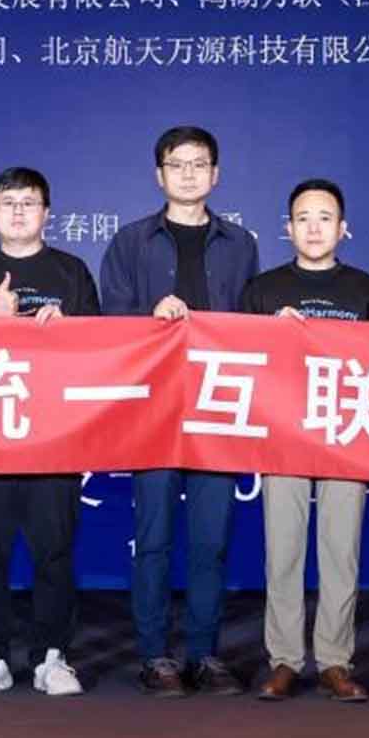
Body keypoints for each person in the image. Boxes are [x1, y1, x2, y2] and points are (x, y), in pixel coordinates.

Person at [99, 125, 260, 696]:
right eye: (177, 164)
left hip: (217, 407)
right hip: (155, 409)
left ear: (216, 174)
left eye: (199, 164)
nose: (188, 174)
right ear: (159, 174)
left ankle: (205, 654)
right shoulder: (131, 242)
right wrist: (150, 315)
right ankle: (154, 655)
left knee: (212, 540)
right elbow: (111, 322)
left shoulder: (240, 244)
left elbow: (252, 322)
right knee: (154, 538)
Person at [0, 167, 99, 698]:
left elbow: (101, 350)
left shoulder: (71, 272)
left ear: (47, 213)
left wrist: (69, 331)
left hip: (54, 439)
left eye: (29, 202)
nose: (18, 212)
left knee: (54, 551)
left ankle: (53, 656)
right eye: (8, 202)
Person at [241, 179, 369, 705]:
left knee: (340, 551)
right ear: (288, 228)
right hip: (283, 436)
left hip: (346, 435)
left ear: (343, 228)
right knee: (282, 551)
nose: (313, 227)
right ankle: (284, 659)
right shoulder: (263, 290)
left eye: (325, 218)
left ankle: (334, 661)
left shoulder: (366, 290)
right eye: (303, 218)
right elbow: (241, 360)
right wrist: (269, 332)